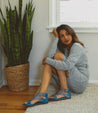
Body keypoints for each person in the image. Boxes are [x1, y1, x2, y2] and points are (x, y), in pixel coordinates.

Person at [23, 24, 89, 107]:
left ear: (71, 34)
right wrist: (56, 38)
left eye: (67, 34)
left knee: (57, 56)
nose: (65, 38)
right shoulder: (64, 48)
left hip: (80, 82)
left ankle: (64, 91)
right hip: (71, 80)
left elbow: (67, 65)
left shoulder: (76, 46)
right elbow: (50, 57)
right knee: (49, 64)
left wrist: (49, 60)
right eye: (62, 36)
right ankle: (41, 95)